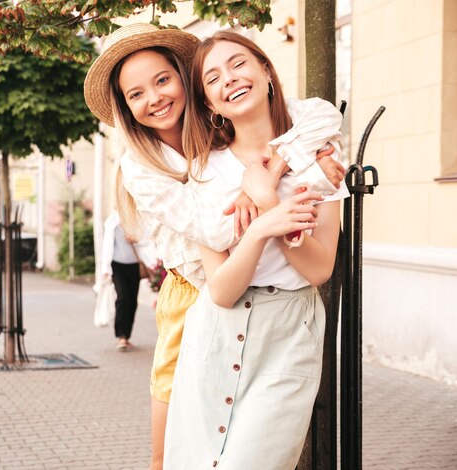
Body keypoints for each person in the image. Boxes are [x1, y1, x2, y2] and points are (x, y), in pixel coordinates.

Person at [84, 23, 345, 469]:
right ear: (126, 109)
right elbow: (213, 227)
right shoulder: (145, 166)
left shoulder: (221, 129)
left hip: (274, 307)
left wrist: (275, 170)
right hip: (194, 292)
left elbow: (322, 115)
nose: (155, 98)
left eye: (163, 81)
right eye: (136, 94)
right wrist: (260, 198)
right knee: (176, 453)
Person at [163, 31, 350, 469]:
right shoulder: (204, 172)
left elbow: (320, 269)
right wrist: (263, 227)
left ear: (266, 71)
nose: (229, 79)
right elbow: (222, 291)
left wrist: (266, 195)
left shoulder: (320, 157)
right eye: (212, 78)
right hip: (216, 332)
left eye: (238, 64)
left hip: (289, 332)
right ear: (209, 103)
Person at [100, 210, 145, 351]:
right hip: (117, 265)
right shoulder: (112, 220)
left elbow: (147, 240)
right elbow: (107, 245)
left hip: (134, 266)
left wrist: (136, 239)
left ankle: (127, 335)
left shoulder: (137, 218)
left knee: (132, 301)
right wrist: (105, 268)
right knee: (123, 297)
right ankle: (121, 336)